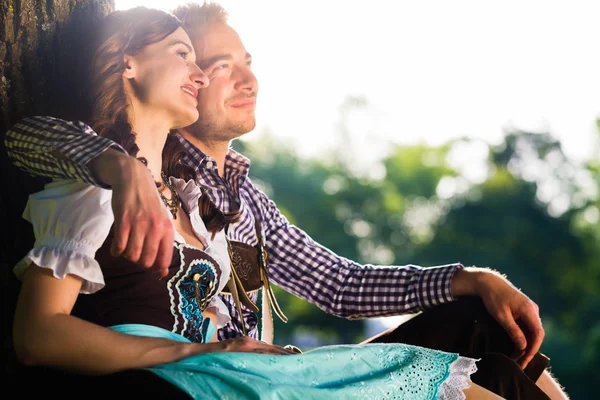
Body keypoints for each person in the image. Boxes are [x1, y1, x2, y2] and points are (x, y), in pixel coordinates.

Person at [4, 2, 568, 399]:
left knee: (483, 324)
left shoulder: (244, 203)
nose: (238, 78)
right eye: (215, 65)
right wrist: (116, 164)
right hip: (203, 376)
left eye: (246, 63)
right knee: (474, 369)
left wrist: (466, 277)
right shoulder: (113, 165)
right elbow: (30, 137)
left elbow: (343, 284)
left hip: (260, 373)